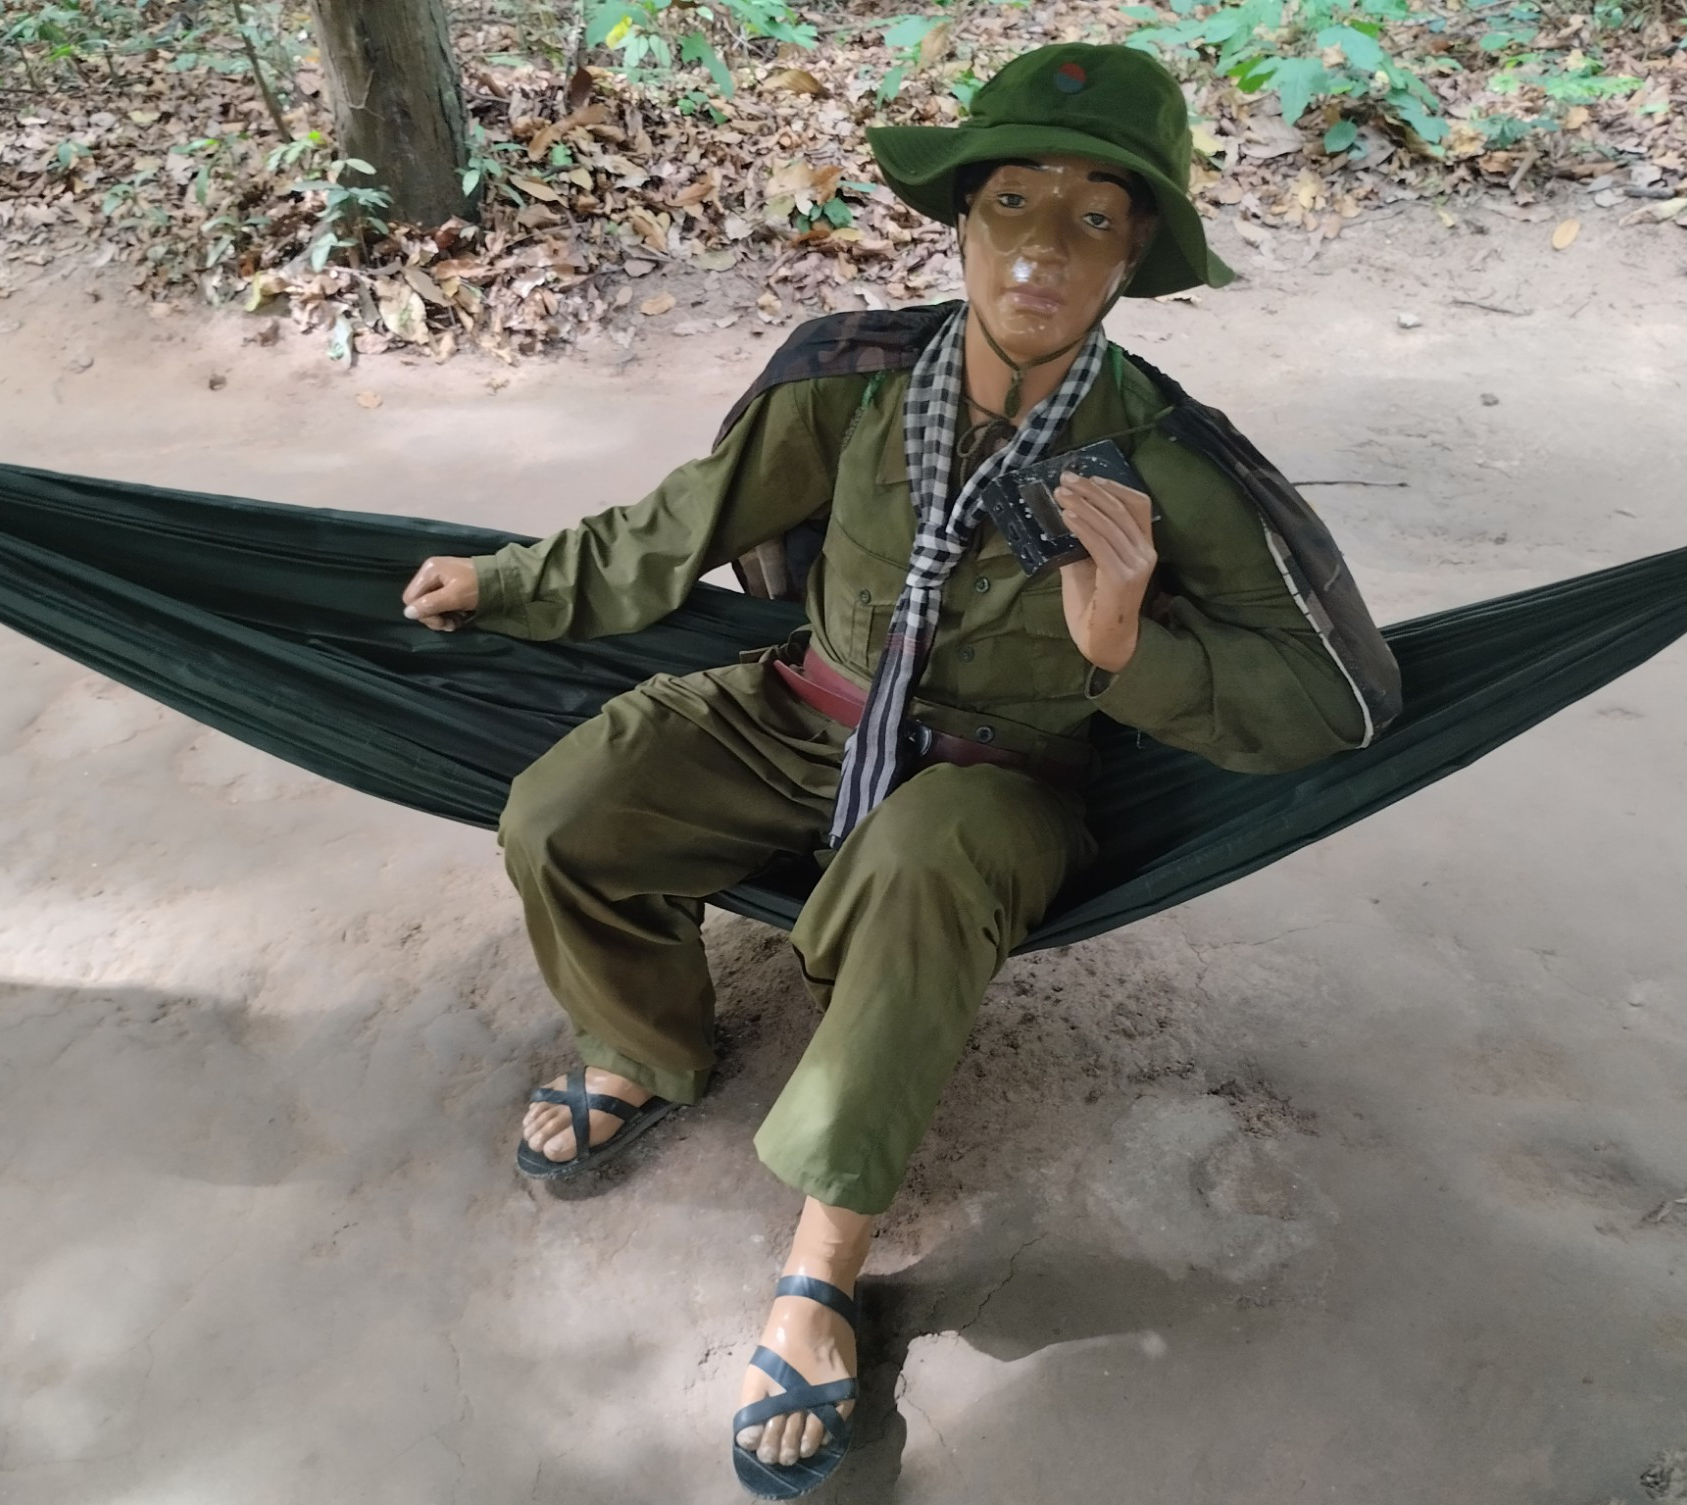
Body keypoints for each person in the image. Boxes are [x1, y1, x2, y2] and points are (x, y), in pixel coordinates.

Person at [400, 43, 1379, 1499]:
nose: (1043, 249)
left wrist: (1125, 646)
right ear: (961, 220)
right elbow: (679, 525)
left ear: (1136, 256)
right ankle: (649, 1046)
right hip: (802, 712)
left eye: (1094, 218)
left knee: (922, 867)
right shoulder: (855, 384)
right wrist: (506, 585)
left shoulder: (1168, 463)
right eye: (1012, 202)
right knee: (562, 812)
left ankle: (820, 1266)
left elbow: (1331, 705)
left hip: (999, 777)